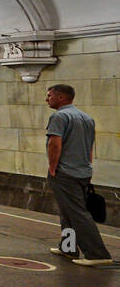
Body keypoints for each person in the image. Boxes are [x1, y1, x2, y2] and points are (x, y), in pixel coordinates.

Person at [45, 84, 111, 265]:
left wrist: (52, 167)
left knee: (77, 213)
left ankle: (98, 254)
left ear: (61, 98)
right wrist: (87, 166)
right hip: (83, 171)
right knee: (68, 211)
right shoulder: (87, 118)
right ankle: (68, 247)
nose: (47, 99)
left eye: (49, 95)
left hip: (65, 172)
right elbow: (89, 146)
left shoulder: (59, 116)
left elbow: (55, 144)